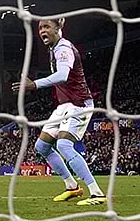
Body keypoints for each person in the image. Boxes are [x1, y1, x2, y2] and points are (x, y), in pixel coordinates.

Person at [13, 17, 106, 206]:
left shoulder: (63, 48)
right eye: (40, 28)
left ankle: (97, 193)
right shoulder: (53, 49)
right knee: (42, 147)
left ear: (58, 28)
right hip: (64, 106)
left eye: (47, 27)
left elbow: (63, 76)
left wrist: (35, 84)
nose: (42, 31)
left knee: (64, 146)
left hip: (79, 104)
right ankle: (72, 187)